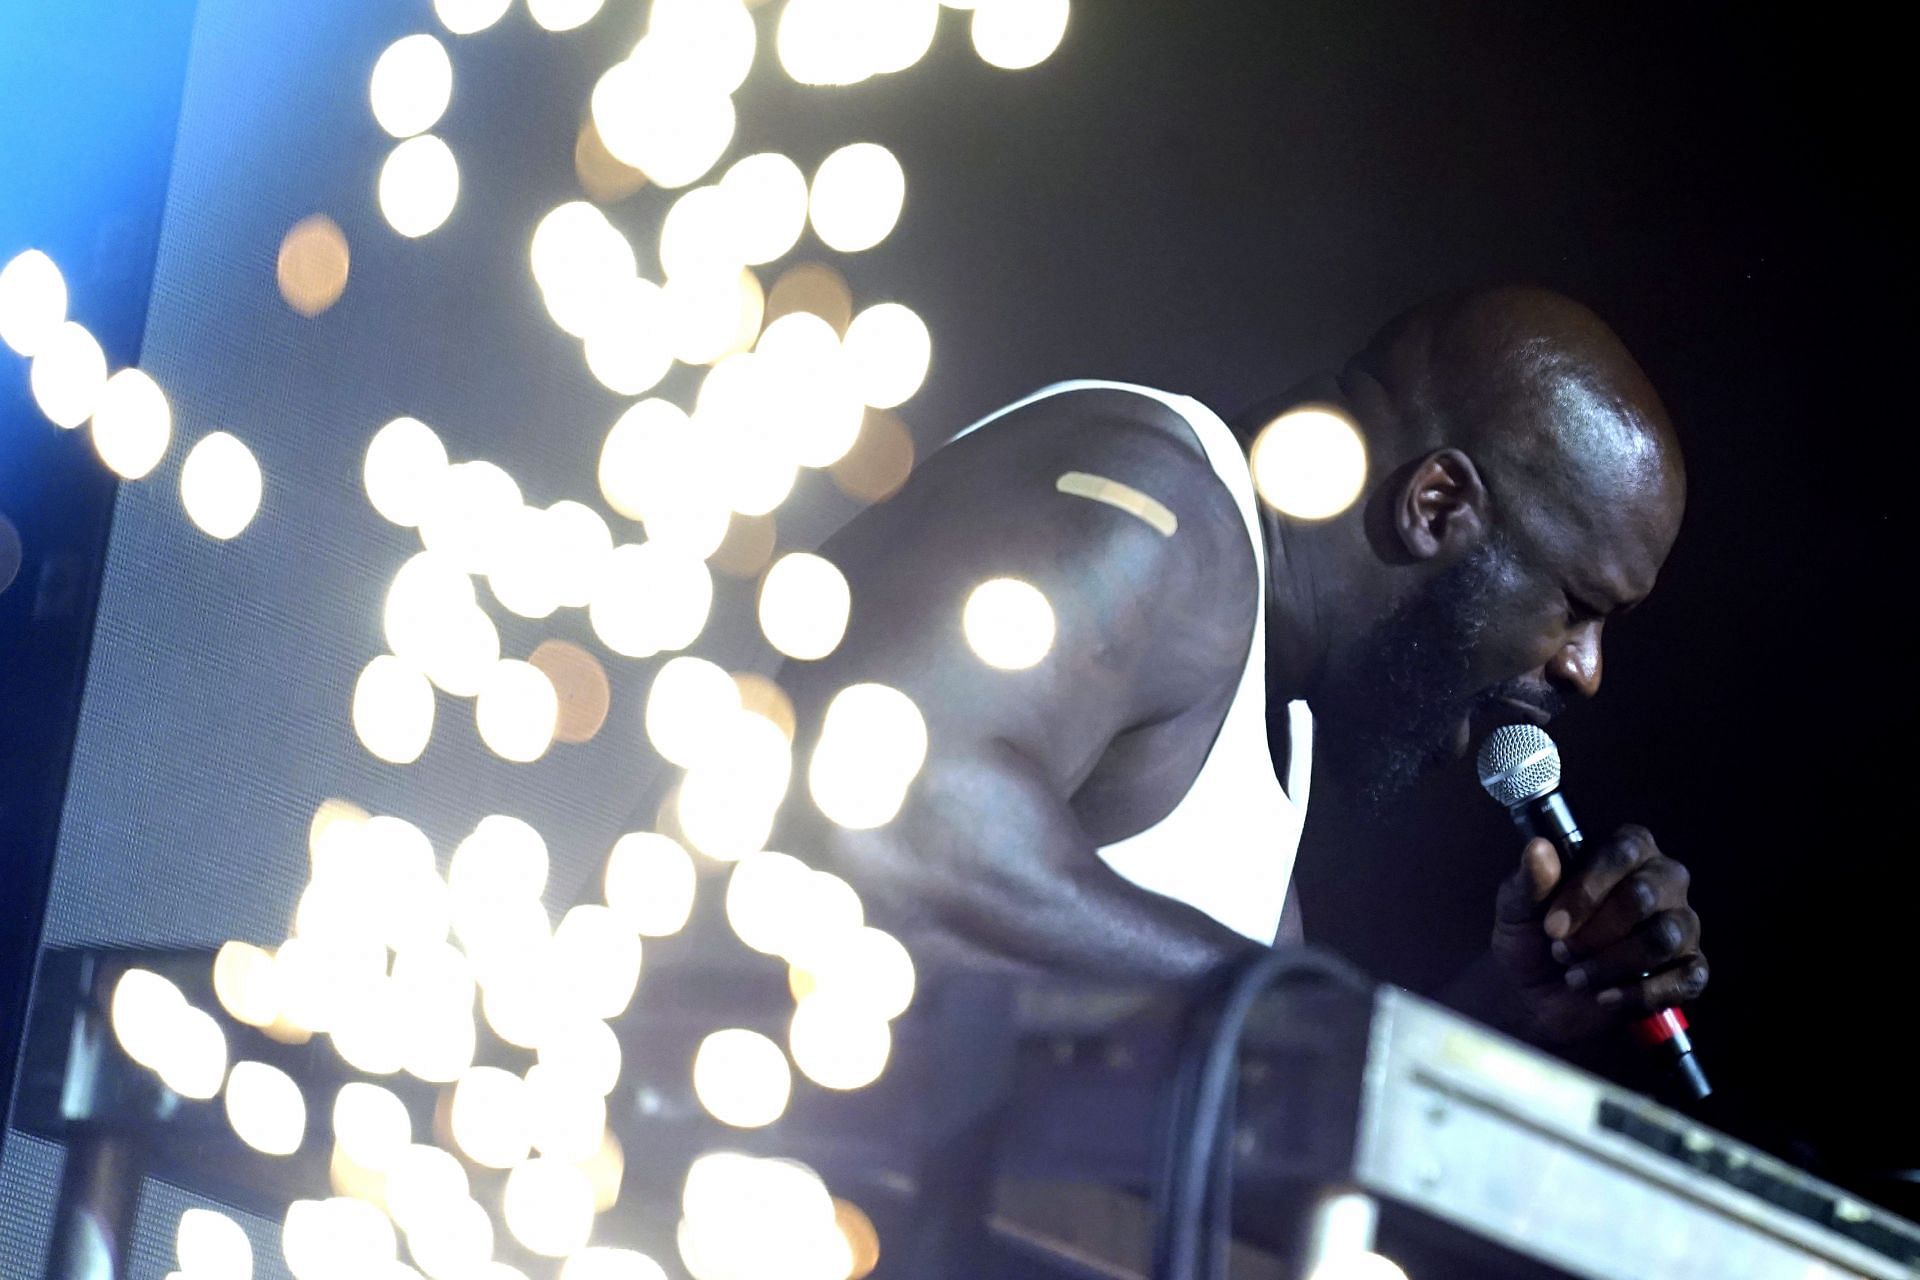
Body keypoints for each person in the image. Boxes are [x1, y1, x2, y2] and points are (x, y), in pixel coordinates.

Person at [775, 286, 1706, 1048]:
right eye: (1578, 609)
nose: (1585, 671)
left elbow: (1250, 1090)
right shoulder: (1154, 512)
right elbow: (881, 814)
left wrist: (1504, 1007)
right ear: (1436, 503)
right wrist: (1298, 1009)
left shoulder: (1279, 712)